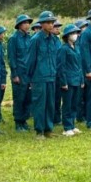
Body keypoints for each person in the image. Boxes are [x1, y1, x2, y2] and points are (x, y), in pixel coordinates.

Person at [27, 11, 60, 139]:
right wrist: (31, 78)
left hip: (51, 76)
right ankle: (39, 131)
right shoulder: (35, 40)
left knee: (50, 104)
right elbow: (30, 60)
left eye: (52, 22)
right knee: (39, 104)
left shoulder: (53, 39)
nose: (51, 25)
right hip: (39, 77)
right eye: (48, 22)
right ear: (41, 24)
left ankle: (48, 129)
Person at [8, 14, 35, 132]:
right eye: (24, 23)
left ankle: (24, 121)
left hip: (29, 73)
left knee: (28, 98)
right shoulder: (13, 39)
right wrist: (14, 74)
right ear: (19, 25)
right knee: (19, 98)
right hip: (19, 73)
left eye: (28, 23)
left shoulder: (30, 38)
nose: (27, 25)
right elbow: (11, 57)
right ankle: (18, 122)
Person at [56, 23, 83, 136]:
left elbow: (79, 65)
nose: (75, 35)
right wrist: (63, 82)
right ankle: (67, 127)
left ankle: (72, 124)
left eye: (76, 33)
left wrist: (81, 80)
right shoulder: (63, 49)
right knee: (67, 104)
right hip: (68, 81)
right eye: (72, 33)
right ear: (67, 36)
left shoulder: (76, 48)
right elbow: (61, 67)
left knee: (74, 104)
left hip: (77, 80)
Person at [75, 19, 89, 124]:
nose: (84, 29)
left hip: (87, 70)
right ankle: (79, 115)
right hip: (79, 72)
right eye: (82, 27)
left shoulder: (85, 39)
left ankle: (85, 114)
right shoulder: (75, 42)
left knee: (87, 94)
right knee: (79, 95)